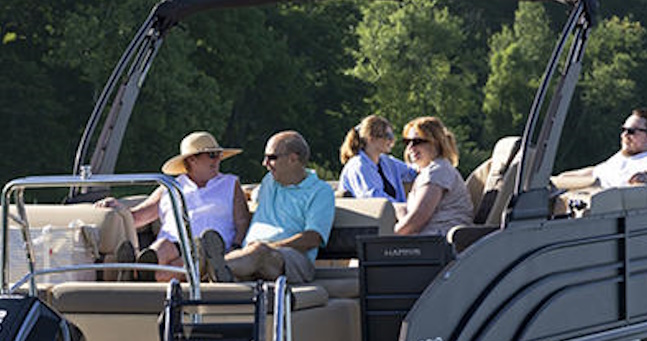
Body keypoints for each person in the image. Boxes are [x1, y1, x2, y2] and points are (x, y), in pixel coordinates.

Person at [100, 131, 250, 275]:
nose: (217, 160)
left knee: (182, 264)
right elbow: (138, 217)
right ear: (192, 159)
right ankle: (138, 271)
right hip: (173, 246)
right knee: (163, 247)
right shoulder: (170, 187)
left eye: (219, 155)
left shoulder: (230, 183)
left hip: (209, 252)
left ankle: (134, 273)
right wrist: (117, 207)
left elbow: (242, 222)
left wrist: (235, 249)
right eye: (212, 155)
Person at [214, 130, 336, 283]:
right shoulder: (269, 181)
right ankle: (213, 270)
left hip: (292, 259)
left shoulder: (320, 191)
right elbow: (251, 194)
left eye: (271, 158)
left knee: (258, 252)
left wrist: (271, 247)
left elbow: (313, 238)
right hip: (250, 256)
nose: (264, 163)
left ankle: (205, 271)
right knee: (250, 258)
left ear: (293, 158)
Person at [393, 117, 475, 236]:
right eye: (407, 142)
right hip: (431, 238)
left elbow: (417, 220)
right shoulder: (430, 171)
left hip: (439, 241)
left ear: (436, 143)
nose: (410, 148)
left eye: (417, 142)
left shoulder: (438, 170)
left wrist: (388, 235)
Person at [553, 108, 647, 189]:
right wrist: (560, 178)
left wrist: (644, 177)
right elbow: (594, 172)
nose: (625, 135)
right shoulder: (620, 158)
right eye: (623, 130)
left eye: (631, 131)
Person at [337, 115, 416, 201]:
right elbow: (374, 199)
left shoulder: (386, 162)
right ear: (370, 138)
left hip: (391, 209)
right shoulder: (359, 166)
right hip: (368, 210)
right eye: (388, 136)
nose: (392, 140)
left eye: (392, 136)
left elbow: (412, 173)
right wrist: (405, 207)